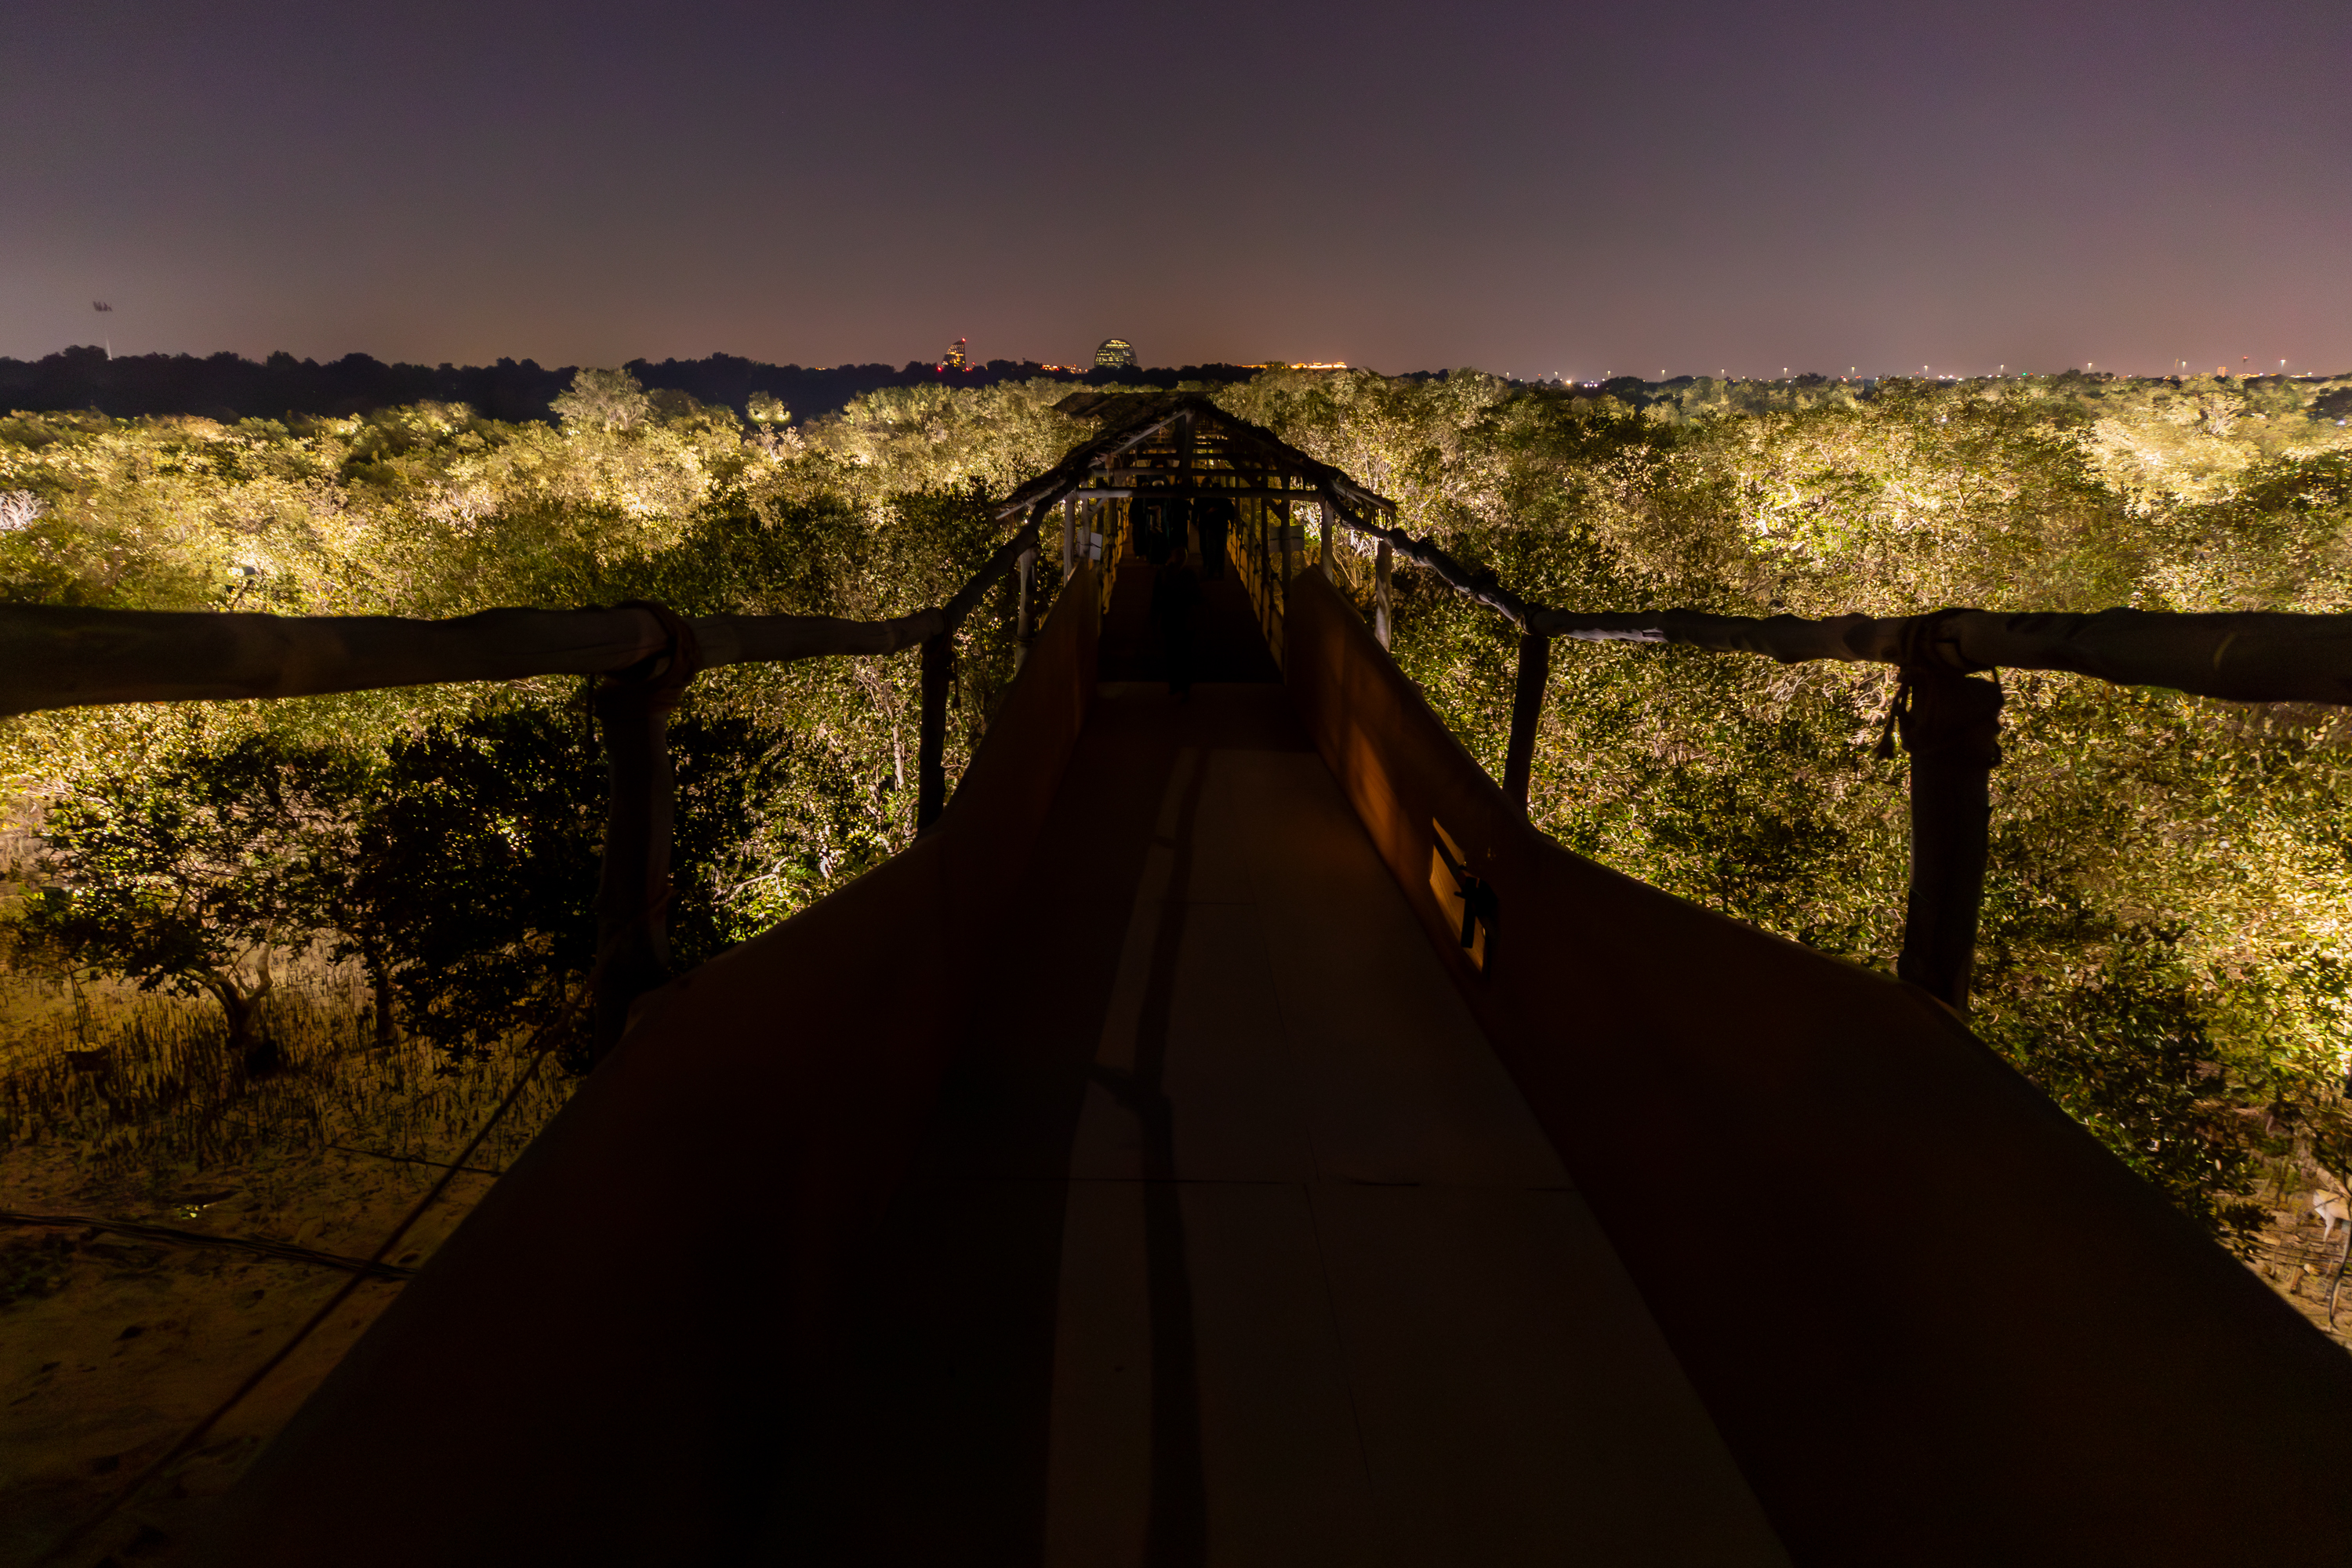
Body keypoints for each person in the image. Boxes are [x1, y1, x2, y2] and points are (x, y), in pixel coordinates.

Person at [1149, 546, 1203, 699]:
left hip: (1170, 618)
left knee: (1172, 652)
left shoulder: (1164, 573)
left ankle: (1174, 683)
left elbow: (1156, 598)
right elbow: (1197, 596)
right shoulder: (1189, 574)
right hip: (1185, 619)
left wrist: (1154, 617)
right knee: (1184, 653)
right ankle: (1184, 685)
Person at [1195, 493, 1233, 579]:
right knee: (1221, 551)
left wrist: (1210, 512)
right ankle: (1221, 572)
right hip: (1222, 528)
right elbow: (1231, 514)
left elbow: (1203, 514)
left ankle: (1211, 572)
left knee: (1211, 551)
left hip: (1211, 528)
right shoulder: (1226, 501)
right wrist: (1232, 526)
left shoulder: (1209, 501)